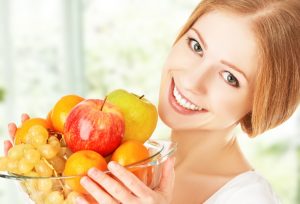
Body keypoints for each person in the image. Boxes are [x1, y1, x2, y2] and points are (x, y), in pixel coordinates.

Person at [4, 0, 300, 203]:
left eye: (230, 77)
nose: (193, 80)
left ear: (262, 104)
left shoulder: (248, 198)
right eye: (196, 45)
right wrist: (50, 184)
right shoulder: (134, 162)